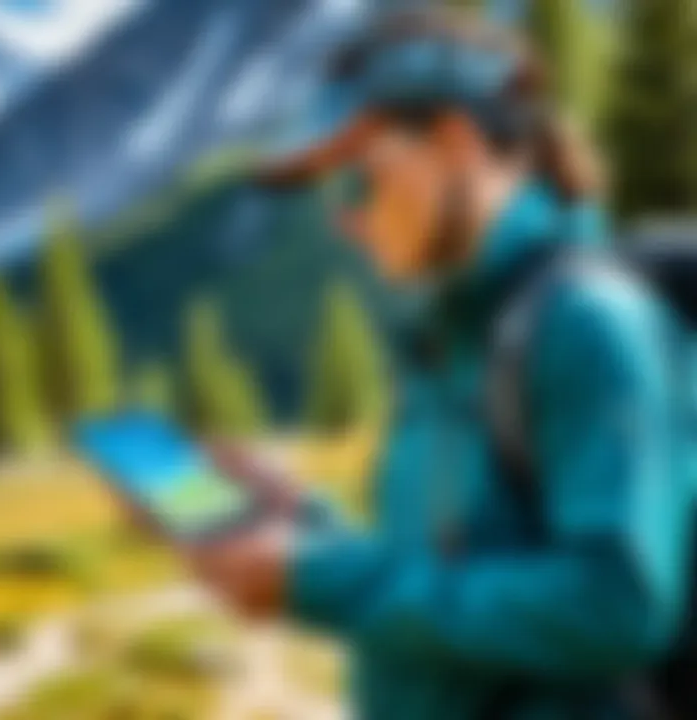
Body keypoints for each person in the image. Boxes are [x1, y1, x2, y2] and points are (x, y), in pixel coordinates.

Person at [183, 8, 695, 719]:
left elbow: (618, 603)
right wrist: (309, 531)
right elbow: (448, 576)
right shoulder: (448, 338)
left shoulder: (587, 325)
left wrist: (325, 584)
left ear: (456, 143)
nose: (345, 216)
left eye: (359, 179)